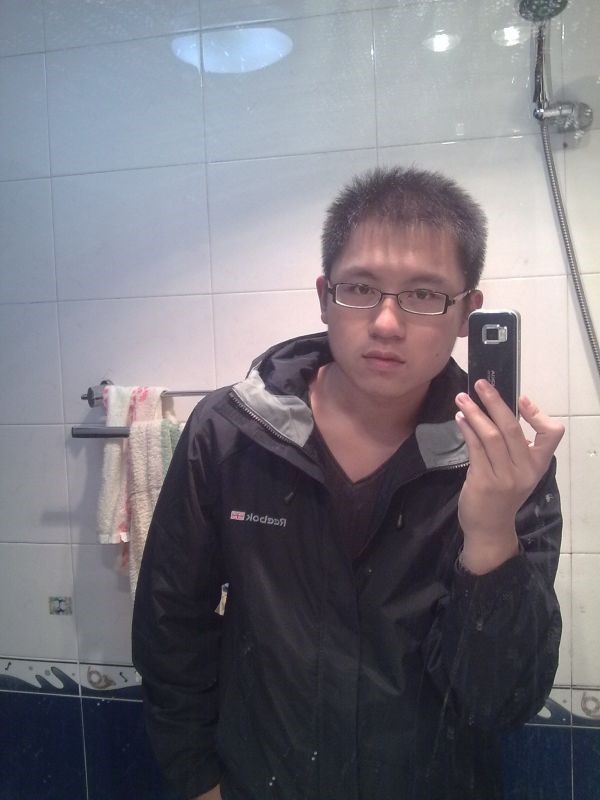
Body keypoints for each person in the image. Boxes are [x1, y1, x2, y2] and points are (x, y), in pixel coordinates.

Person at [132, 166, 564, 800]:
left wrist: (492, 535)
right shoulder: (231, 432)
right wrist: (197, 781)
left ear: (467, 314)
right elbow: (171, 621)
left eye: (424, 294)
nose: (386, 323)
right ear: (324, 295)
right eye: (360, 288)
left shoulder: (508, 465)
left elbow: (499, 703)